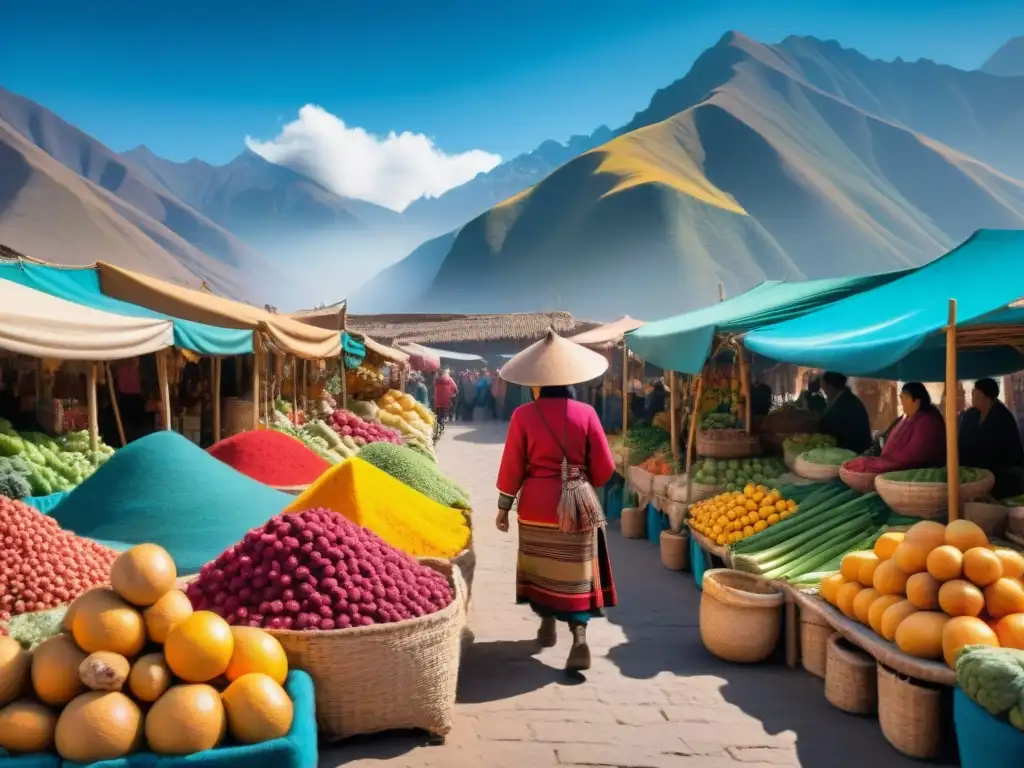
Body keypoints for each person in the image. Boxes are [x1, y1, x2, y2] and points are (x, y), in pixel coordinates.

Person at [495, 331, 617, 672]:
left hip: (535, 506)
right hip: (577, 507)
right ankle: (578, 636)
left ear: (537, 384)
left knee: (540, 567)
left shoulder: (523, 415)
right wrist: (583, 484)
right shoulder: (587, 413)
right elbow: (606, 468)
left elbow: (512, 466)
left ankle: (546, 623)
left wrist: (504, 507)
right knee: (575, 570)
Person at [843, 382, 946, 473]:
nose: (902, 402)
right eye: (901, 398)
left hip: (916, 472)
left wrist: (873, 464)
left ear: (917, 401)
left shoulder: (928, 422)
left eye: (905, 398)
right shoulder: (905, 418)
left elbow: (913, 457)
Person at [959, 378, 1024, 497]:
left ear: (986, 396)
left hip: (1002, 473)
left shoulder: (1002, 417)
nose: (972, 395)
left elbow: (997, 451)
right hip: (975, 471)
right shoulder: (971, 415)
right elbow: (962, 440)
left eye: (975, 392)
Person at [820, 372, 873, 454]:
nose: (825, 393)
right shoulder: (849, 399)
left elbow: (826, 433)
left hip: (851, 456)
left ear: (831, 387)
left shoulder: (842, 406)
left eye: (825, 390)